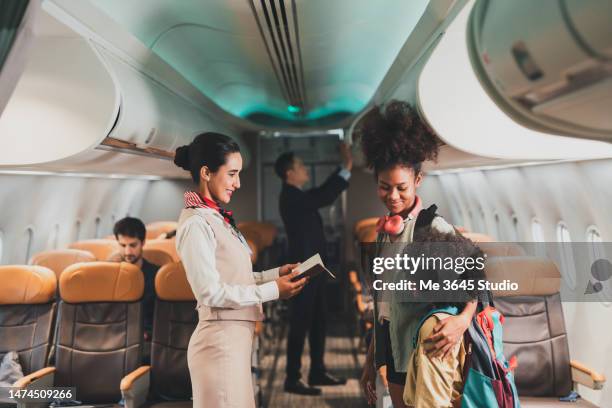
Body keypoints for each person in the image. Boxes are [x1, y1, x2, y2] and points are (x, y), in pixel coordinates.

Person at [355, 101, 479, 408]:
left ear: (418, 181)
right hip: (390, 339)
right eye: (385, 187)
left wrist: (463, 320)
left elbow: (477, 276)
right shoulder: (383, 232)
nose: (393, 197)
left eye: (401, 188)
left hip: (422, 343)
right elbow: (382, 304)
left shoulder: (432, 227)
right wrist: (371, 361)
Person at [174, 132, 307, 408]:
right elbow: (210, 292)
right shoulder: (196, 224)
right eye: (232, 173)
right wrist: (273, 291)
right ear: (206, 172)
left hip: (233, 343)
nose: (238, 183)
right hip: (218, 345)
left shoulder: (216, 217)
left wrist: (275, 275)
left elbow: (235, 278)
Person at [275, 144, 352, 395]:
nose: (305, 169)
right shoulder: (291, 196)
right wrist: (345, 168)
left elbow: (319, 195)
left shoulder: (296, 195)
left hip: (313, 269)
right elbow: (323, 196)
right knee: (300, 323)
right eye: (300, 166)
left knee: (319, 320)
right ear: (289, 173)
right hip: (303, 270)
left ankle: (317, 371)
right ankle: (292, 378)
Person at [113, 217, 160, 343]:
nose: (128, 251)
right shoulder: (110, 276)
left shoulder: (157, 276)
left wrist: (147, 333)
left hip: (146, 340)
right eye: (123, 245)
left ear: (143, 242)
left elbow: (160, 317)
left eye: (133, 245)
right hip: (115, 337)